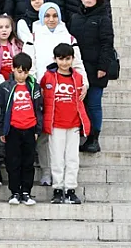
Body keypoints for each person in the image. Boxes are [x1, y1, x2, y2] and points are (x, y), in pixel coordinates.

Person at [68, 0, 114, 154]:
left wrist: (103, 67)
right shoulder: (75, 17)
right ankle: (82, 131)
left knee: (94, 103)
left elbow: (107, 44)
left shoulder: (103, 18)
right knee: (80, 101)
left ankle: (94, 138)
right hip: (79, 67)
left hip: (96, 68)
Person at [42, 42, 89, 205]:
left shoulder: (78, 77)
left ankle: (70, 189)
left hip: (74, 124)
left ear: (72, 59)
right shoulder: (48, 76)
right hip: (55, 124)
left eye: (67, 59)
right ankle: (57, 189)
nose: (64, 62)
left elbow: (81, 100)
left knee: (72, 158)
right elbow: (43, 96)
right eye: (60, 59)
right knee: (56, 158)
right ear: (55, 59)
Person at [0, 52, 43, 205]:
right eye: (19, 71)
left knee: (28, 162)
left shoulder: (34, 86)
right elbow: (1, 110)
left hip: (29, 128)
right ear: (13, 69)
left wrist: (37, 129)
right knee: (12, 162)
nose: (22, 75)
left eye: (25, 71)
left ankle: (26, 192)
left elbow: (39, 109)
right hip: (13, 129)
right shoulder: (5, 87)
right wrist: (2, 130)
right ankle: (15, 192)